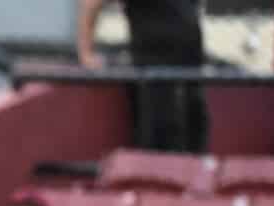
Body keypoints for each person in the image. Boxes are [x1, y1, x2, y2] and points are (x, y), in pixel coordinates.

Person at [77, 0, 209, 153]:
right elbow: (91, 4)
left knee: (195, 133)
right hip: (154, 74)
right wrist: (86, 54)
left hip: (191, 73)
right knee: (161, 138)